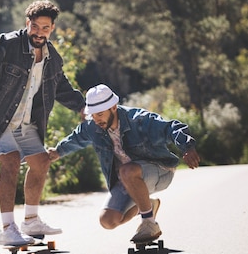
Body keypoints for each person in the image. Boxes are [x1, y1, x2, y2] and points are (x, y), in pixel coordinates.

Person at [0, 0, 85, 246]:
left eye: (45, 28)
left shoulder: (53, 58)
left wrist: (82, 106)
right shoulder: (9, 44)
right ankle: (7, 228)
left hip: (24, 119)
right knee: (11, 160)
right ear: (27, 23)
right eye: (35, 26)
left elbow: (62, 87)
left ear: (52, 29)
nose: (39, 32)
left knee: (41, 162)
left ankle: (31, 220)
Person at [48, 83, 200, 243]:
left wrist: (187, 147)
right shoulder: (93, 126)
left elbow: (172, 127)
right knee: (107, 220)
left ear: (113, 107)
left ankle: (148, 222)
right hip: (127, 178)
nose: (96, 119)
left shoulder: (139, 119)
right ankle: (149, 205)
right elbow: (76, 138)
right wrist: (57, 152)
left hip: (160, 171)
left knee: (127, 170)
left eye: (100, 114)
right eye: (92, 115)